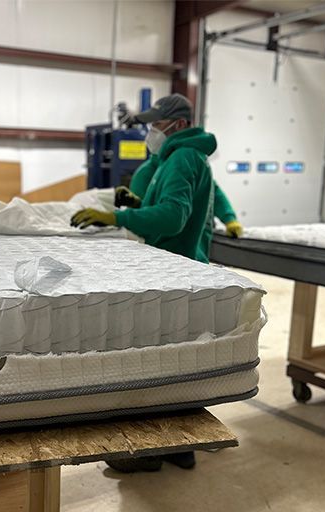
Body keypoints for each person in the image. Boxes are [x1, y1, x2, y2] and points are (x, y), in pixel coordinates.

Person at [70, 93, 242, 473]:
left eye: (155, 125)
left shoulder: (183, 157)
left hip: (176, 272)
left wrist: (118, 219)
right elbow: (163, 203)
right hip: (176, 269)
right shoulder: (178, 157)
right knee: (177, 365)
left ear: (177, 125)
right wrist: (134, 205)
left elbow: (173, 218)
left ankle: (145, 455)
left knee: (157, 365)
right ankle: (180, 449)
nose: (150, 132)